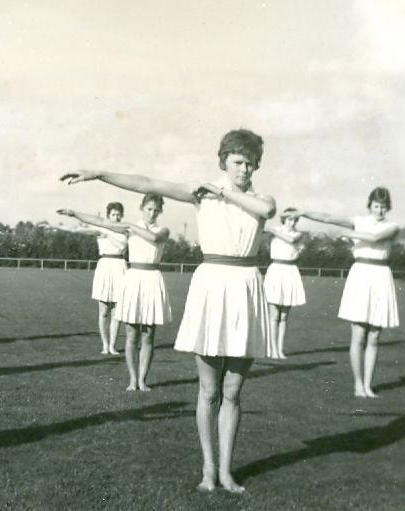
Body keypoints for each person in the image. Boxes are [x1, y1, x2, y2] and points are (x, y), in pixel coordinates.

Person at [61, 128, 276, 493]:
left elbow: (266, 209)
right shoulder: (200, 193)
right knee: (209, 391)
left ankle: (227, 471)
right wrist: (99, 173)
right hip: (212, 285)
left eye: (251, 163)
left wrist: (223, 191)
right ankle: (209, 469)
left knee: (235, 390)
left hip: (246, 287)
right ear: (224, 160)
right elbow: (148, 182)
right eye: (239, 162)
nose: (245, 169)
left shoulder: (258, 197)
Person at [57, 194, 170, 391]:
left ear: (160, 211)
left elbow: (153, 238)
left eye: (156, 210)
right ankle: (133, 380)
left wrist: (131, 227)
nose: (152, 213)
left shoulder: (162, 229)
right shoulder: (128, 227)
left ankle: (143, 380)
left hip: (152, 279)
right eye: (149, 209)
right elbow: (101, 221)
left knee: (148, 335)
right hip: (133, 278)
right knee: (131, 334)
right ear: (142, 208)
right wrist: (75, 214)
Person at [295, 187, 399, 398]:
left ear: (387, 208)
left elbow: (375, 237)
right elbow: (328, 217)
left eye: (383, 207)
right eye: (376, 206)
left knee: (375, 336)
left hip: (381, 276)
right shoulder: (359, 220)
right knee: (358, 334)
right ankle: (358, 385)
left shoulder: (392, 226)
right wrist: (303, 212)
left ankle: (368, 386)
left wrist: (345, 233)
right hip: (361, 275)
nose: (379, 210)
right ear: (370, 205)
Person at [42, 202, 128, 355]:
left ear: (122, 216)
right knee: (104, 311)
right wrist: (57, 226)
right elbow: (77, 229)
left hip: (120, 267)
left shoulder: (125, 231)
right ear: (108, 216)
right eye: (113, 214)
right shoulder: (100, 229)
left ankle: (113, 346)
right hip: (105, 267)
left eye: (118, 214)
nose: (116, 217)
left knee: (117, 312)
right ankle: (105, 345)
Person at [263, 207, 307, 359]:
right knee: (274, 314)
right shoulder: (275, 229)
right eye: (290, 219)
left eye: (295, 220)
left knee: (283, 316)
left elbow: (291, 239)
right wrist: (271, 228)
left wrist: (272, 230)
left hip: (290, 271)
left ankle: (280, 349)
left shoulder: (297, 234)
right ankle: (271, 349)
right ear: (284, 219)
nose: (293, 222)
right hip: (276, 270)